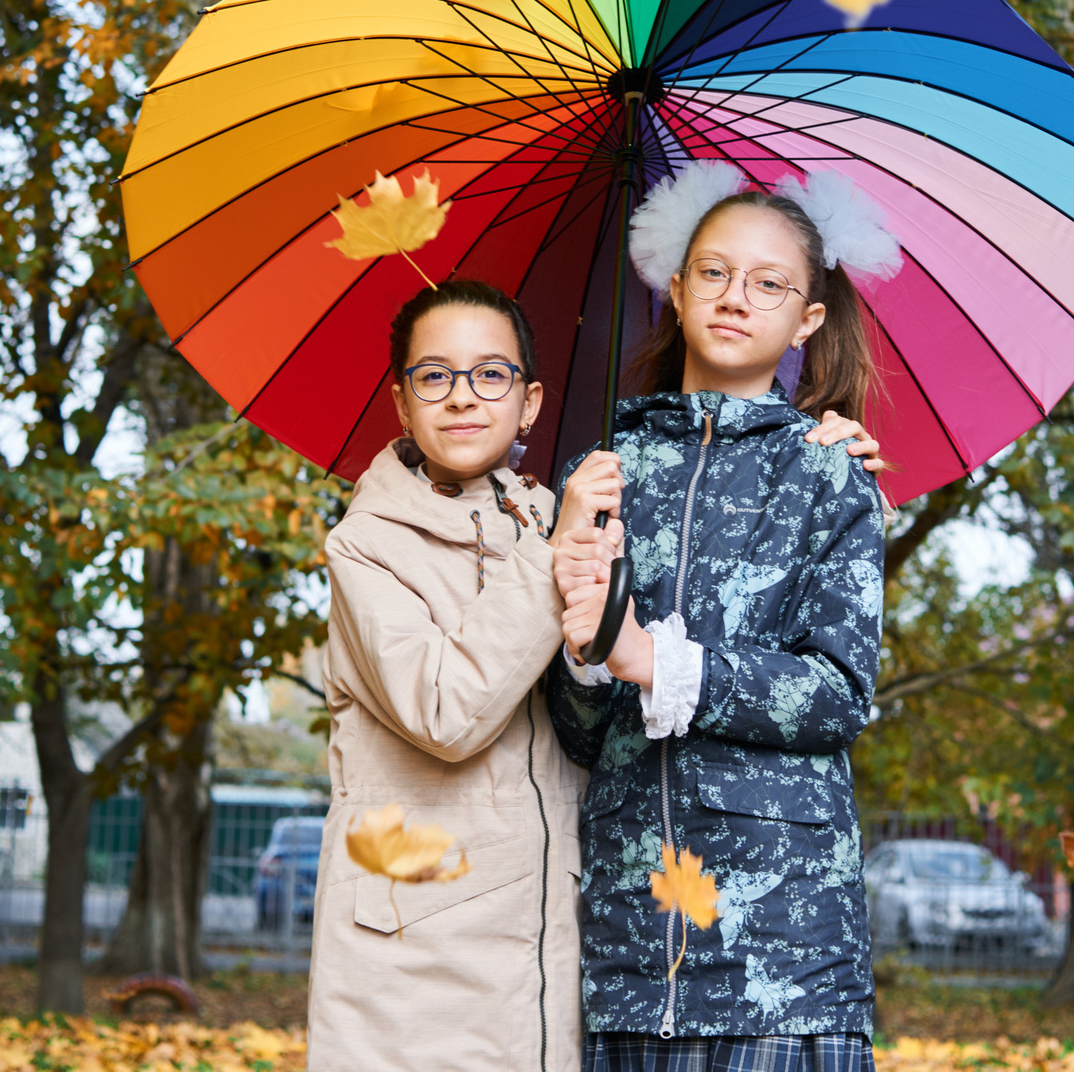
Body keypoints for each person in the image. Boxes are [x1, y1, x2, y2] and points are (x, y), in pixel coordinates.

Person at [311, 276, 883, 1072]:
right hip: (417, 956)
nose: (463, 397)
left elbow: (589, 719)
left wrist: (816, 448)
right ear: (401, 402)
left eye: (492, 374)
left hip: (549, 948)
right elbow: (445, 712)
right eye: (433, 375)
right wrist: (557, 551)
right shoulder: (367, 546)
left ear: (532, 401)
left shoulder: (561, 511)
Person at [549, 162, 895, 1072]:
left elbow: (837, 695)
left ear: (807, 318)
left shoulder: (828, 474)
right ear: (675, 286)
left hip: (783, 966)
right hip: (626, 952)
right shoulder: (600, 472)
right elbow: (581, 734)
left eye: (769, 282)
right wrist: (587, 644)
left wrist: (652, 657)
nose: (736, 297)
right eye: (713, 272)